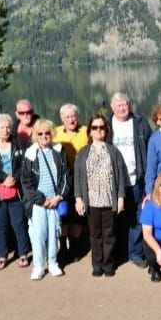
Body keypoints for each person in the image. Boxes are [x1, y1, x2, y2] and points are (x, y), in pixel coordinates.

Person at [74, 115, 128, 277]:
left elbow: (120, 177)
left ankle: (108, 264)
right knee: (94, 234)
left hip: (108, 199)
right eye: (95, 127)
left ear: (106, 130)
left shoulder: (113, 151)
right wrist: (78, 198)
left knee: (109, 234)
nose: (98, 131)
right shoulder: (83, 153)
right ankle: (97, 264)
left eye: (102, 127)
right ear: (90, 131)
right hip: (91, 200)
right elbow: (77, 177)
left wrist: (120, 198)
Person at [20, 119, 71, 280]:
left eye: (47, 133)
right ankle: (38, 265)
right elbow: (26, 182)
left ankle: (53, 262)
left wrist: (59, 196)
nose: (44, 136)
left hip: (55, 201)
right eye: (40, 133)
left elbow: (66, 176)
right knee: (38, 234)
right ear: (36, 135)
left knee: (54, 233)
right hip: (38, 203)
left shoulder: (59, 150)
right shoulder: (30, 154)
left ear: (52, 134)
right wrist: (41, 200)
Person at [0, 114, 32, 270]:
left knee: (19, 223)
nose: (5, 130)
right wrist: (3, 178)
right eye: (2, 127)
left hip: (16, 192)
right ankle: (2, 255)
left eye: (8, 126)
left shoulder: (18, 145)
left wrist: (14, 178)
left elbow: (25, 165)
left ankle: (23, 253)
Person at [106, 92, 152, 268]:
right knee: (116, 219)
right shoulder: (106, 125)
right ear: (112, 107)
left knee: (138, 218)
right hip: (114, 182)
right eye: (118, 105)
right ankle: (118, 253)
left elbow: (149, 149)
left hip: (137, 180)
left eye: (125, 104)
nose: (122, 108)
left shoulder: (140, 123)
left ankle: (135, 253)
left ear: (129, 105)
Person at [54, 103, 89, 263]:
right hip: (61, 181)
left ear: (78, 117)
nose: (71, 119)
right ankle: (63, 247)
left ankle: (75, 246)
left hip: (81, 179)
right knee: (63, 214)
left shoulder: (85, 131)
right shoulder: (55, 133)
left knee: (77, 215)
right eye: (67, 117)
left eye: (73, 116)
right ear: (62, 118)